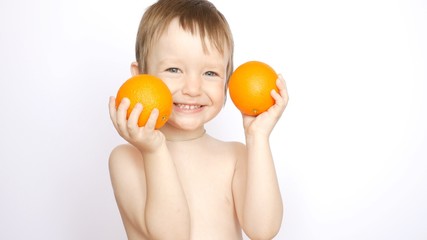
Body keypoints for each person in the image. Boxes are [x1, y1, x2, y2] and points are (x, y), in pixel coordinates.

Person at [108, 0, 289, 239]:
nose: (193, 88)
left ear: (228, 81)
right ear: (140, 76)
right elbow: (172, 235)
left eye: (210, 73)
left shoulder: (234, 156)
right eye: (174, 70)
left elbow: (263, 230)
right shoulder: (126, 160)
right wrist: (154, 151)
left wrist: (258, 137)